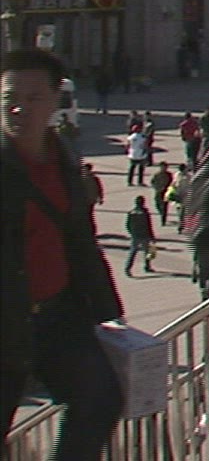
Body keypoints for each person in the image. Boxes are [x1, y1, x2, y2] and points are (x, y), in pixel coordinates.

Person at [2, 47, 127, 459]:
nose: (19, 108)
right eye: (9, 98)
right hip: (6, 322)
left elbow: (80, 239)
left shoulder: (63, 158)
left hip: (56, 316)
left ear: (56, 99)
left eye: (33, 98)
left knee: (101, 400)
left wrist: (108, 310)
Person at [124, 197, 157, 275]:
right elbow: (148, 225)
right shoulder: (145, 213)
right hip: (144, 235)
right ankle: (147, 266)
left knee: (133, 252)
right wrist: (152, 236)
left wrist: (132, 233)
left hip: (135, 236)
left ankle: (127, 268)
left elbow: (127, 225)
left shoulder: (131, 212)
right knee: (147, 252)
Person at [149, 162, 175, 227]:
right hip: (158, 192)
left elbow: (172, 183)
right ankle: (161, 212)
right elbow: (152, 182)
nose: (164, 168)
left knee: (164, 207)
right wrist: (156, 187)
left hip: (165, 192)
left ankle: (163, 220)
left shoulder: (169, 175)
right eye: (162, 167)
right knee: (157, 204)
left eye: (165, 167)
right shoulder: (157, 175)